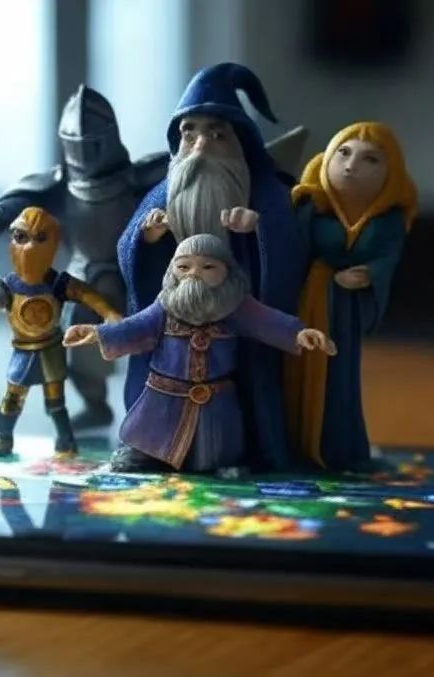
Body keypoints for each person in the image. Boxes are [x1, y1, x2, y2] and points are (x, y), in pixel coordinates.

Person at [0, 85, 168, 429]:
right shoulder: (58, 186)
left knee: (155, 343)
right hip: (83, 277)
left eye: (90, 144)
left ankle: (154, 414)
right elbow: (15, 206)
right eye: (77, 145)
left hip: (136, 273)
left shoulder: (141, 177)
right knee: (76, 347)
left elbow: (184, 179)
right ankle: (96, 405)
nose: (84, 153)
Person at [117, 62, 307, 469]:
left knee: (239, 401)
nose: (201, 146)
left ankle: (244, 449)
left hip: (238, 325)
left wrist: (257, 232)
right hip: (170, 327)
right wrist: (147, 240)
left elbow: (289, 255)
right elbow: (128, 253)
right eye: (190, 134)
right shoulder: (162, 194)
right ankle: (149, 449)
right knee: (159, 391)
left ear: (241, 143)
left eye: (217, 135)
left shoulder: (267, 196)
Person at [65, 234, 334, 473]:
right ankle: (146, 456)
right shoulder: (165, 305)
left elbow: (267, 321)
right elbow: (136, 327)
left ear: (226, 271)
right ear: (173, 271)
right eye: (184, 267)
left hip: (215, 399)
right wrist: (99, 333)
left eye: (207, 267)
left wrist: (298, 333)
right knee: (150, 440)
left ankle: (216, 461)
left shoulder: (235, 305)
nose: (194, 274)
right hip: (164, 395)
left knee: (216, 448)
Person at [0, 207, 121, 458]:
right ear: (12, 241)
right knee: (12, 399)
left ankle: (65, 440)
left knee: (56, 402)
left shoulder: (57, 283)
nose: (30, 247)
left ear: (53, 242)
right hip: (22, 351)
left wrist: (109, 313)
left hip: (52, 350)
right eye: (21, 237)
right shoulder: (9, 288)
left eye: (40, 238)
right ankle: (4, 437)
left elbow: (86, 294)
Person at [285, 122, 417, 471]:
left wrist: (370, 274)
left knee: (340, 378)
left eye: (370, 159)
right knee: (294, 370)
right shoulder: (309, 206)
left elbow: (388, 258)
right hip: (306, 303)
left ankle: (338, 448)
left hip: (347, 309)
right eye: (343, 153)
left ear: (391, 172)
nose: (351, 165)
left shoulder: (389, 221)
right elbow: (287, 252)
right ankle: (290, 444)